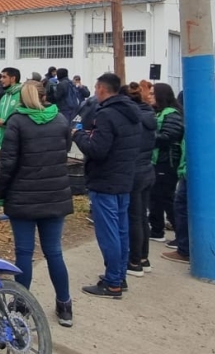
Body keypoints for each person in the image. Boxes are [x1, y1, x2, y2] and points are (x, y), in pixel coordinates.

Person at [0, 80, 75, 326]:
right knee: (54, 253)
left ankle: (21, 304)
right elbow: (66, 149)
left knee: (24, 254)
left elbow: (7, 163)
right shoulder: (61, 120)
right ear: (44, 96)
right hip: (55, 195)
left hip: (23, 197)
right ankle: (64, 306)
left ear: (22, 97)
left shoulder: (16, 122)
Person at [73, 73, 141, 298]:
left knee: (109, 233)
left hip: (105, 181)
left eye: (95, 87)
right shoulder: (132, 112)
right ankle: (119, 276)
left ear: (102, 89)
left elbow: (97, 150)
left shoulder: (106, 115)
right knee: (121, 230)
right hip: (124, 179)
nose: (94, 91)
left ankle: (112, 282)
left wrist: (78, 135)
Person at [164, 78, 215, 264]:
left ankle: (185, 249)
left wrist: (186, 168)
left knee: (182, 206)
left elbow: (199, 144)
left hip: (202, 171)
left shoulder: (208, 110)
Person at [125, 84, 157, 277]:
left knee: (134, 218)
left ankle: (134, 260)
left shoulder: (133, 119)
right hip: (147, 169)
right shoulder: (150, 116)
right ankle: (144, 258)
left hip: (134, 172)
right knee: (142, 216)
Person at [148, 83, 184, 243]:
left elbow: (168, 137)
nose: (149, 97)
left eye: (152, 94)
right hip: (157, 160)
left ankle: (180, 234)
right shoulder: (159, 113)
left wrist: (147, 136)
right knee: (155, 197)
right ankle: (157, 230)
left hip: (166, 162)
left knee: (166, 198)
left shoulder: (172, 114)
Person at [0, 68, 23, 156]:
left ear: (13, 78)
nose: (1, 80)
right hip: (2, 145)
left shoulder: (22, 95)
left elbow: (23, 122)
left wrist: (5, 123)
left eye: (4, 77)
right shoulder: (4, 97)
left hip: (15, 145)